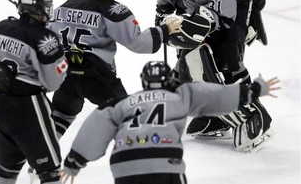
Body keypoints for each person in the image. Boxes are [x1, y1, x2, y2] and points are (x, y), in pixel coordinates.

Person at [154, 0, 274, 152]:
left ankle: (256, 117)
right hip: (196, 23)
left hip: (228, 24)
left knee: (225, 68)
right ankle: (215, 115)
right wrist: (163, 19)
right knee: (190, 72)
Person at [58, 61, 280, 184]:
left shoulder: (122, 103)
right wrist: (253, 90)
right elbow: (215, 96)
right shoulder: (181, 95)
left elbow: (95, 127)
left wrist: (74, 162)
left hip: (124, 164)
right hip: (164, 161)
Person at [48, 0, 181, 138]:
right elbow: (138, 43)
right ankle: (140, 159)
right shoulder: (113, 11)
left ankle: (42, 161)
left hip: (66, 76)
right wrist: (165, 30)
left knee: (60, 116)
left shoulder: (65, 7)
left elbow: (46, 36)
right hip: (97, 78)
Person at [0, 0, 68, 184]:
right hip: (27, 108)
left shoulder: (1, 27)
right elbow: (52, 83)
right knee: (50, 171)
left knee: (6, 168)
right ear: (40, 8)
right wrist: (60, 57)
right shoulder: (45, 38)